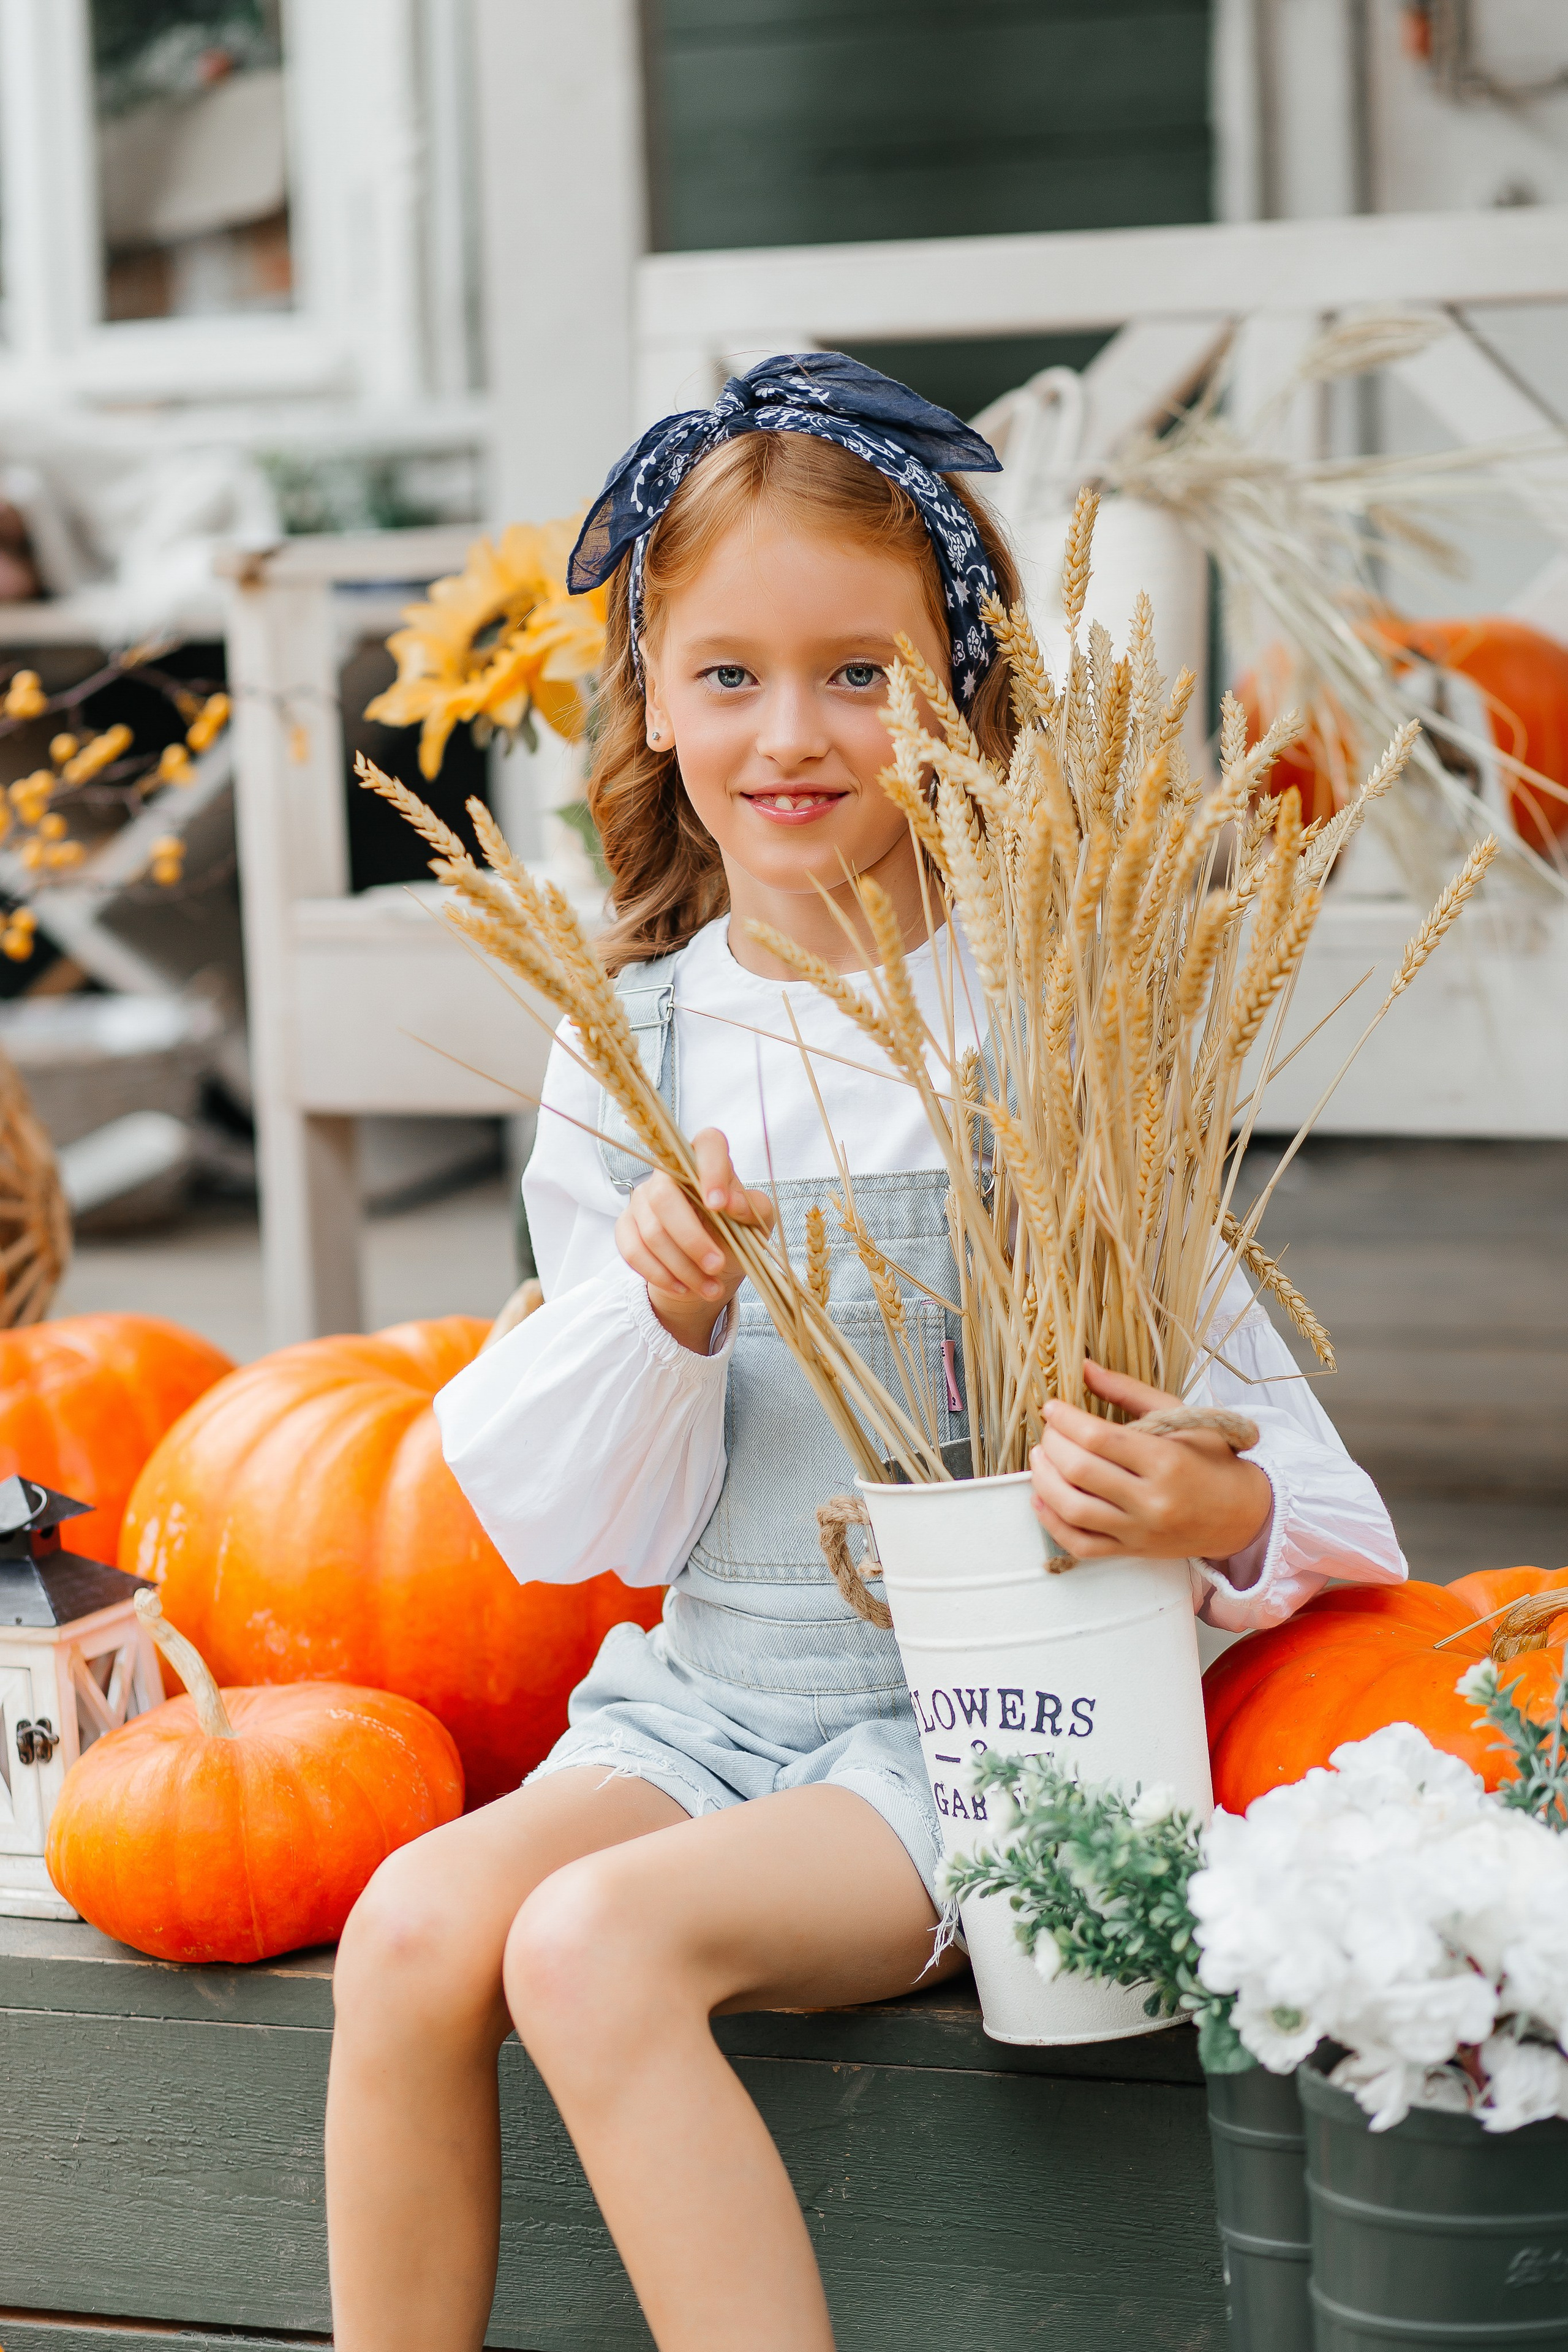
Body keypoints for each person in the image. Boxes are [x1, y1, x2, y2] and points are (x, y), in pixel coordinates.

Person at [324, 354, 1406, 2352]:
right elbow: (582, 1525)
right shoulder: (627, 1040)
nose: (790, 733)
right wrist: (658, 1320)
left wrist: (1205, 1496)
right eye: (725, 673)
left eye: (860, 674)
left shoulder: (1055, 1035)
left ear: (963, 694)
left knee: (588, 1949)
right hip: (704, 1702)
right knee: (409, 1929)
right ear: (648, 695)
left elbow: (1300, 1486)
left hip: (977, 1737)